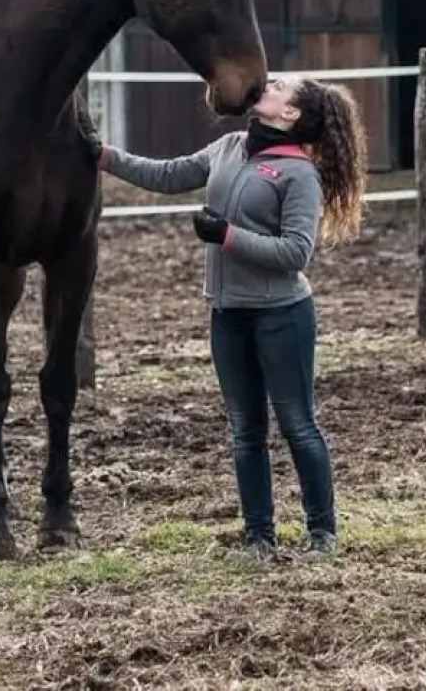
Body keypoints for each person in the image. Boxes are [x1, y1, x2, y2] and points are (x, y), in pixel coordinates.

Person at [86, 76, 368, 561]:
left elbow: (297, 252)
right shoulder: (230, 146)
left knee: (298, 425)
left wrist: (227, 236)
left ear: (290, 114)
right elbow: (170, 173)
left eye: (280, 85)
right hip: (228, 312)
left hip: (282, 315)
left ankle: (322, 532)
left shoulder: (299, 174)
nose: (269, 82)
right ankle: (259, 537)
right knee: (245, 431)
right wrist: (105, 156)